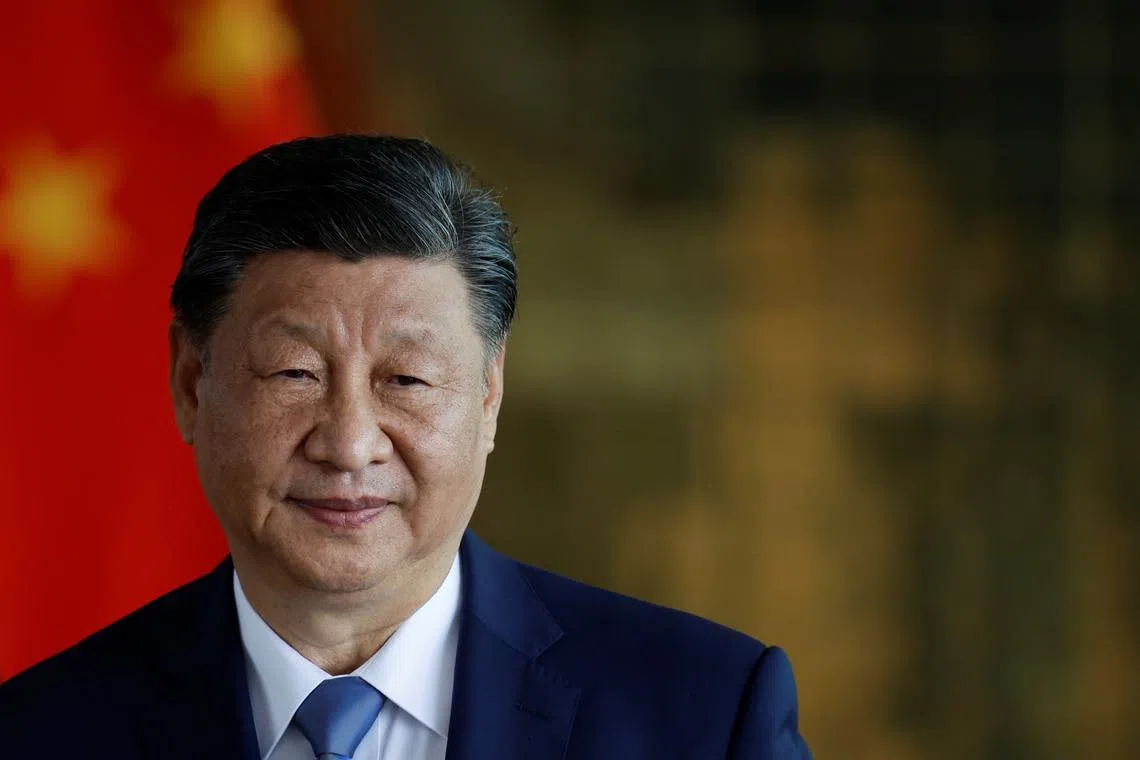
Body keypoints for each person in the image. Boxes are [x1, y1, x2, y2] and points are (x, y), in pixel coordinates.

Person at [0, 134, 812, 759]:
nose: (350, 444)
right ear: (191, 384)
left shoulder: (704, 718)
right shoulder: (40, 732)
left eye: (408, 380)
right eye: (294, 372)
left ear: (488, 394)